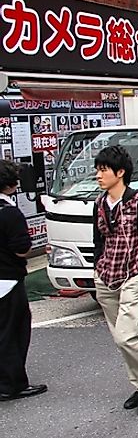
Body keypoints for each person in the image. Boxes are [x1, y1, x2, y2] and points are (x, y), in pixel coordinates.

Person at [92, 146, 138, 415]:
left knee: (127, 337)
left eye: (103, 170)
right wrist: (98, 266)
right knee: (119, 337)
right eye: (97, 170)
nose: (98, 175)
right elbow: (98, 239)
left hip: (133, 276)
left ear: (120, 173)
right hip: (105, 277)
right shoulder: (100, 203)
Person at [0, 160, 46, 402]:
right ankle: (12, 384)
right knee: (14, 332)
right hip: (7, 279)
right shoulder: (10, 213)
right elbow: (21, 250)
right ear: (11, 184)